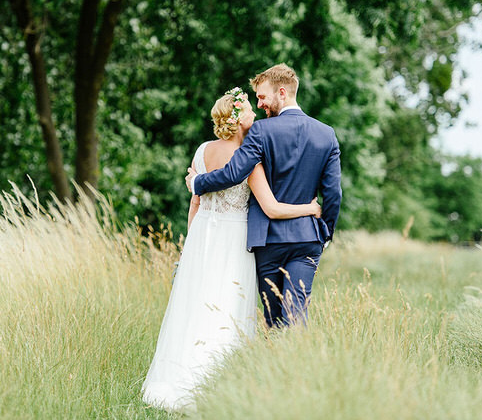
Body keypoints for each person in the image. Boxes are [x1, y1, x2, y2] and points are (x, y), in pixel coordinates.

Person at [142, 88, 321, 412]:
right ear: (238, 118)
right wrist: (309, 208)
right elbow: (272, 207)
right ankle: (214, 386)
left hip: (201, 239)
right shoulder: (248, 158)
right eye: (250, 110)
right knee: (226, 308)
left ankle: (178, 380)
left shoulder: (201, 152)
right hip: (233, 241)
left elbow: (194, 205)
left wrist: (188, 247)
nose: (254, 114)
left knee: (195, 305)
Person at [186, 63, 341, 328]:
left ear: (282, 93)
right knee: (297, 315)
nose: (259, 105)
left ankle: (280, 364)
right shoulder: (326, 134)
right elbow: (333, 193)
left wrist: (198, 182)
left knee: (274, 319)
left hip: (268, 240)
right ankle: (292, 365)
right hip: (307, 238)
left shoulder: (261, 131)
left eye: (262, 97)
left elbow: (233, 173)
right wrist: (325, 232)